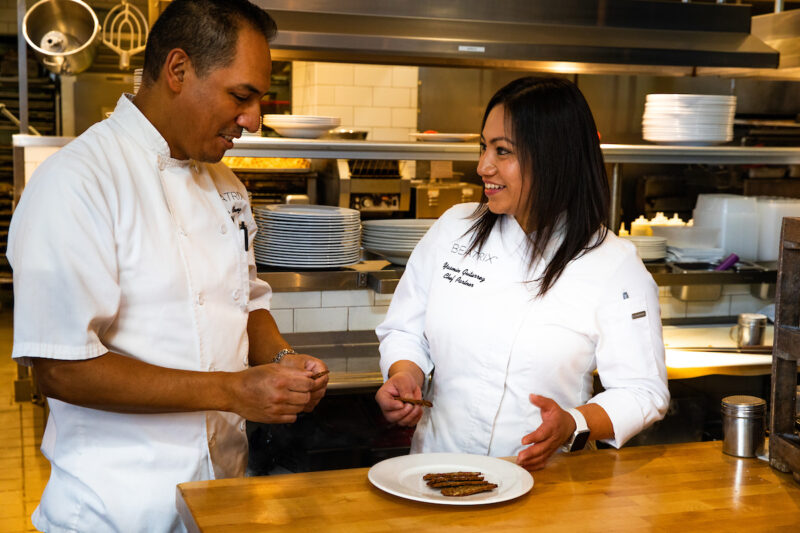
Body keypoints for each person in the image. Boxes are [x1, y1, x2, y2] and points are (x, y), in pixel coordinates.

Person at [7, 1, 328, 531]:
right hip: (115, 510)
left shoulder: (227, 186)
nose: (253, 120)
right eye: (241, 96)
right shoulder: (78, 182)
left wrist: (283, 359)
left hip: (220, 496)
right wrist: (232, 389)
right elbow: (60, 367)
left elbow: (245, 301)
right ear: (178, 70)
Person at [375, 77, 669, 470]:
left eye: (503, 151)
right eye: (483, 147)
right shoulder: (454, 228)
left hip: (542, 485)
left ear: (554, 157)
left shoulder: (613, 264)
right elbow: (405, 330)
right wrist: (404, 372)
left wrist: (574, 423)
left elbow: (643, 391)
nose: (483, 166)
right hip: (436, 471)